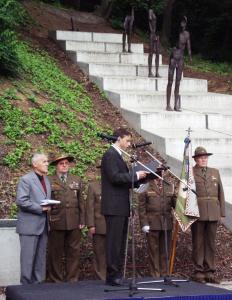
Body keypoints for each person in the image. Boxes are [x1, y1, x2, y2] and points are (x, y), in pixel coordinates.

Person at [101, 128, 148, 286]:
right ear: (118, 138)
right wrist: (135, 175)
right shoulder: (110, 155)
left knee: (120, 242)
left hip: (121, 206)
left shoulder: (118, 156)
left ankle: (118, 274)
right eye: (127, 141)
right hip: (113, 206)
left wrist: (142, 178)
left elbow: (124, 181)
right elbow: (114, 178)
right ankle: (112, 275)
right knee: (114, 243)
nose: (129, 144)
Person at [47, 154, 85, 282]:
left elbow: (81, 202)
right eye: (61, 163)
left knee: (74, 252)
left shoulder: (76, 179)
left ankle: (72, 279)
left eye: (66, 163)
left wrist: (82, 220)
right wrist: (48, 221)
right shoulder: (49, 180)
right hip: (56, 220)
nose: (64, 165)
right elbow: (46, 201)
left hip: (74, 221)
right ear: (56, 166)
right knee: (55, 252)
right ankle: (55, 279)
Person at [16, 153, 51, 284]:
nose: (47, 163)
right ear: (35, 164)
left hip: (43, 226)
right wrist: (41, 208)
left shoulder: (46, 180)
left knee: (40, 260)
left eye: (47, 161)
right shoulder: (26, 179)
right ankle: (25, 290)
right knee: (27, 260)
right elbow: (21, 201)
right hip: (29, 227)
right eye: (44, 161)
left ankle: (38, 289)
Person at [191, 146, 225, 283]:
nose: (204, 160)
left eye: (205, 157)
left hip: (213, 211)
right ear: (196, 159)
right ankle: (199, 272)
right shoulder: (191, 173)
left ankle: (210, 272)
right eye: (201, 158)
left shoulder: (215, 172)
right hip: (197, 212)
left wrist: (221, 212)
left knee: (210, 243)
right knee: (198, 242)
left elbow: (220, 193)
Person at [138, 174, 175, 277]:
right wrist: (144, 223)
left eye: (162, 171)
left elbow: (175, 204)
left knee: (165, 250)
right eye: (158, 172)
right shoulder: (145, 185)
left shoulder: (169, 185)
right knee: (153, 251)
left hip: (166, 223)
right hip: (152, 223)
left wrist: (182, 197)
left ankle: (164, 274)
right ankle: (155, 274)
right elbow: (141, 207)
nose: (160, 174)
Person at [166, 16, 192, 111]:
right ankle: (168, 104)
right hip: (173, 58)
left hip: (181, 59)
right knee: (170, 82)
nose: (182, 24)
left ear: (186, 23)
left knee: (178, 82)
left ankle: (176, 105)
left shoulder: (187, 34)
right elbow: (172, 43)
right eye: (181, 22)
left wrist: (190, 56)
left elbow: (188, 46)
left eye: (184, 22)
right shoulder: (176, 32)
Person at [86, 179, 106, 281]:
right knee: (99, 252)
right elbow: (90, 207)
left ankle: (113, 275)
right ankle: (101, 276)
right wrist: (90, 225)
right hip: (99, 224)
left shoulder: (116, 184)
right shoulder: (94, 186)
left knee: (113, 252)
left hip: (114, 224)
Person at [148, 8, 160, 77]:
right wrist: (152, 32)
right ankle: (150, 72)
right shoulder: (151, 11)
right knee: (151, 53)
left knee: (157, 54)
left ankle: (157, 72)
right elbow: (149, 20)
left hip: (155, 34)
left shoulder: (153, 12)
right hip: (152, 34)